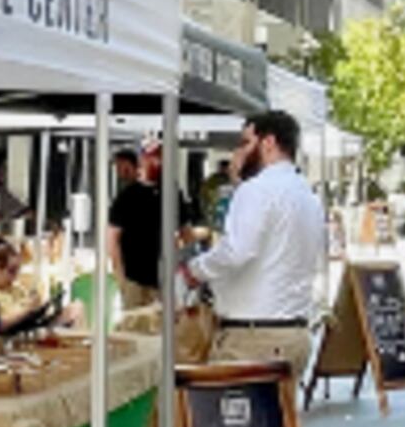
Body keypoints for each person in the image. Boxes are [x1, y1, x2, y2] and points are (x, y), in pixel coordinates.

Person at [184, 109, 328, 369]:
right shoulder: (308, 196)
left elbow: (238, 250)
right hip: (292, 332)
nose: (238, 153)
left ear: (268, 143)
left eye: (246, 143)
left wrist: (195, 270)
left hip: (254, 337)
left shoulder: (258, 190)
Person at [103, 146, 168, 315]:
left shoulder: (168, 193)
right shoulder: (125, 197)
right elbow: (111, 240)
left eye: (121, 167)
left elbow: (111, 239)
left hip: (157, 280)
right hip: (138, 280)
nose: (119, 172)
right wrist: (121, 278)